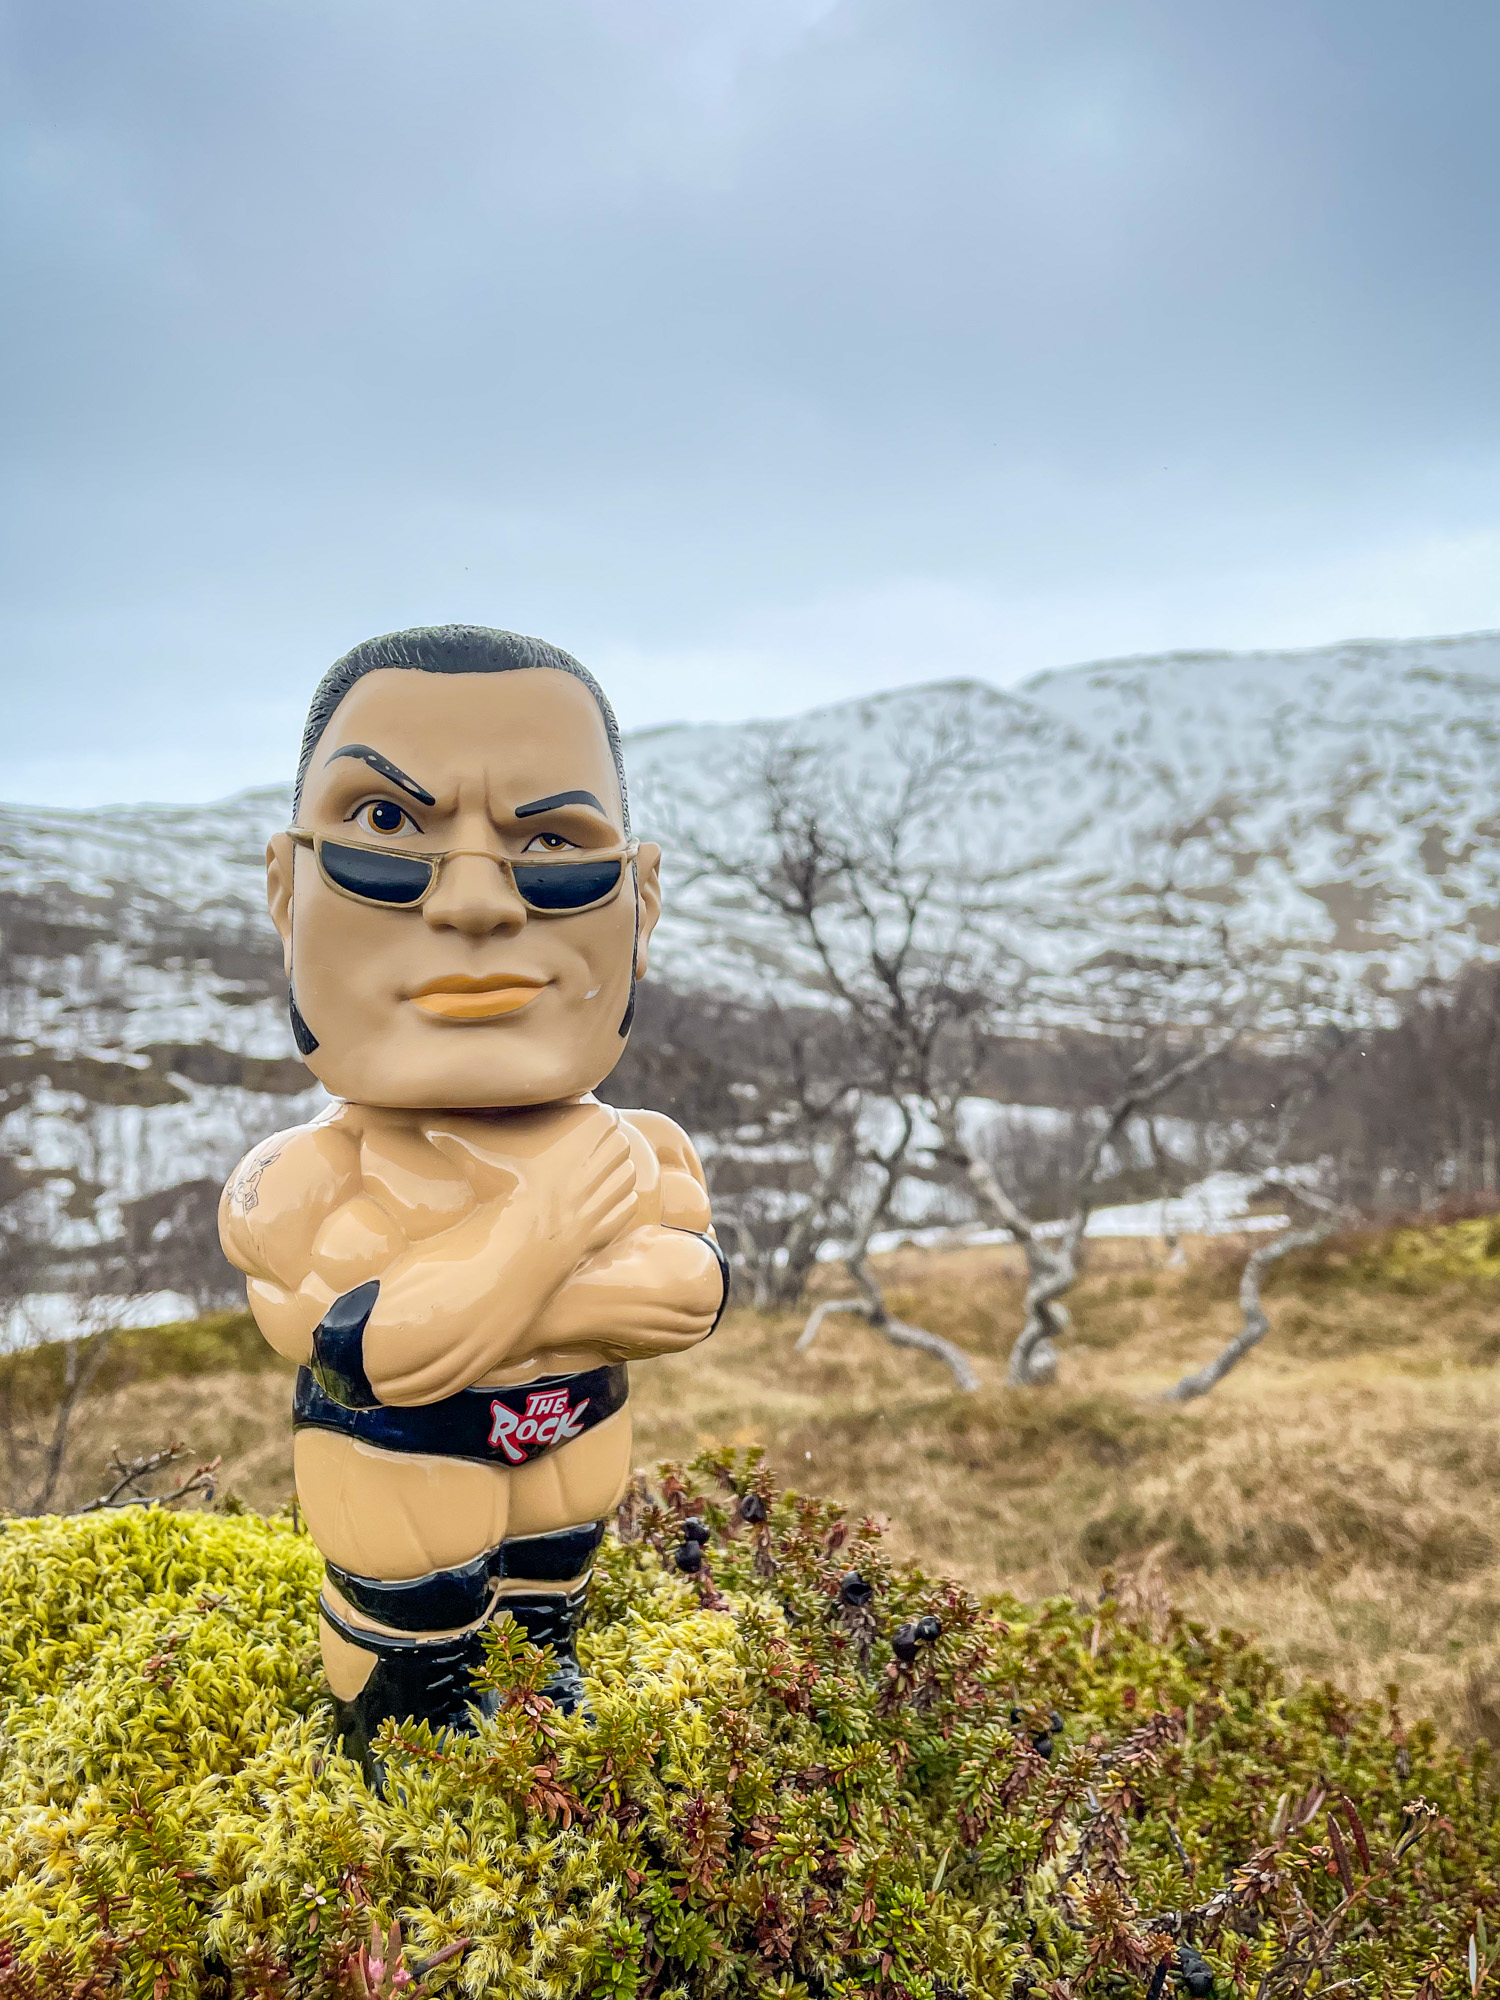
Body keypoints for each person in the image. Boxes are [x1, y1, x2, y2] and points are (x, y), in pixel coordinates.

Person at [218, 625, 726, 1785]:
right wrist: (544, 1238)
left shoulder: (641, 1143)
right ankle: (407, 1773)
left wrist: (487, 1295)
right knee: (413, 1652)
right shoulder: (307, 1174)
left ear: (640, 902)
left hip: (574, 1453)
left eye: (551, 841)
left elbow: (686, 1295)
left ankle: (540, 1699)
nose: (477, 900)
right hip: (401, 1476)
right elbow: (370, 1348)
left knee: (548, 1615)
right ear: (286, 889)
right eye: (387, 824)